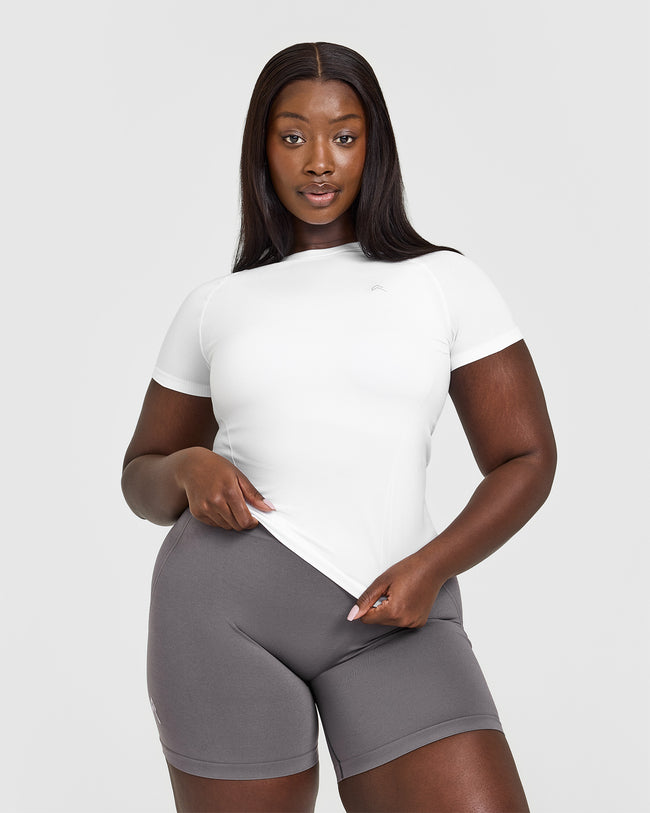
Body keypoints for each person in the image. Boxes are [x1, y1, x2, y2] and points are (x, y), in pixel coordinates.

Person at [121, 41, 557, 813]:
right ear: (263, 148)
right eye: (293, 136)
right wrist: (188, 466)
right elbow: (141, 477)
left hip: (394, 612)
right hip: (222, 618)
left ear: (372, 145)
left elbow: (526, 457)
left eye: (344, 136)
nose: (318, 161)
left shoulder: (444, 282)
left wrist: (432, 567)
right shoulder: (215, 306)